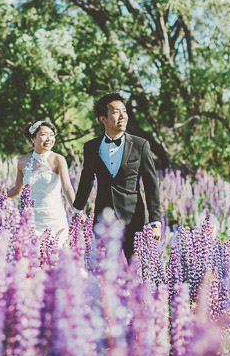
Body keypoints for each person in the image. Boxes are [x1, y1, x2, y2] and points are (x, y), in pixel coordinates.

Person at [73, 92, 162, 260]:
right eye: (115, 112)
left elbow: (151, 186)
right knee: (103, 273)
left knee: (137, 272)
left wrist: (155, 222)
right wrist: (77, 210)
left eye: (124, 111)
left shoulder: (140, 145)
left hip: (134, 220)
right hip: (103, 220)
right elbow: (86, 180)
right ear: (102, 119)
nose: (122, 116)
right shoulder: (91, 147)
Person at [8, 119, 75, 247]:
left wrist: (76, 211)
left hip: (54, 219)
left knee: (59, 260)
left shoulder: (58, 159)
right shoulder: (23, 161)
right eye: (44, 135)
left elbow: (67, 187)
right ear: (33, 138)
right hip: (31, 219)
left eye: (52, 135)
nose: (49, 139)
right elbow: (17, 190)